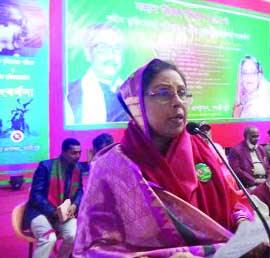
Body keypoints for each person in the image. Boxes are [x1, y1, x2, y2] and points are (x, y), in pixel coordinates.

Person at [74, 59, 254, 257]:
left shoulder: (205, 150)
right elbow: (92, 249)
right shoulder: (111, 167)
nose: (178, 101)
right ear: (137, 104)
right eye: (163, 93)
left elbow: (237, 201)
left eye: (182, 93)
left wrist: (243, 222)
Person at [23, 138, 83, 258]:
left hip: (63, 214)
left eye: (79, 152)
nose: (77, 156)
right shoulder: (46, 167)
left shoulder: (77, 168)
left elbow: (80, 190)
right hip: (39, 213)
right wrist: (53, 212)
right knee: (49, 239)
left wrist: (74, 205)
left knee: (74, 234)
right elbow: (35, 195)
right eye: (73, 153)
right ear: (64, 152)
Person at [66, 24, 127, 125]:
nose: (111, 55)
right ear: (88, 53)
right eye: (102, 47)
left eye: (117, 48)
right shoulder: (69, 94)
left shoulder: (136, 94)